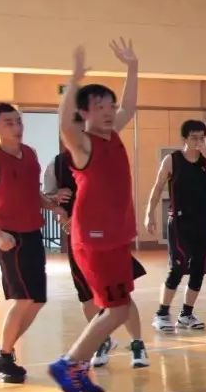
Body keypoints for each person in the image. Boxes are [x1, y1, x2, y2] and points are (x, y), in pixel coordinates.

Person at [47, 39, 143, 392]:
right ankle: (69, 363)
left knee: (116, 307)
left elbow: (129, 105)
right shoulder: (83, 145)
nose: (108, 112)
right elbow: (64, 125)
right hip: (94, 239)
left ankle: (78, 364)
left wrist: (132, 66)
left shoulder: (113, 135)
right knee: (116, 309)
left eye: (109, 106)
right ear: (84, 113)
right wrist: (73, 80)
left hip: (116, 237)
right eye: (99, 107)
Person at [0, 103, 55, 384]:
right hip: (9, 238)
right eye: (9, 123)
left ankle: (1, 349)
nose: (17, 127)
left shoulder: (30, 154)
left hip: (33, 233)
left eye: (19, 121)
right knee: (24, 299)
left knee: (37, 300)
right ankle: (4, 360)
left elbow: (33, 194)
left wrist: (53, 205)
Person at [45, 149, 150, 369]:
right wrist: (55, 200)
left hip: (106, 237)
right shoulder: (56, 164)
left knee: (120, 294)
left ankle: (137, 343)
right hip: (78, 240)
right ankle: (102, 340)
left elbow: (116, 196)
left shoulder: (104, 158)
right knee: (86, 297)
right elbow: (47, 198)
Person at [144, 118, 206, 333]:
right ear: (184, 139)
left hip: (202, 222)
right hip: (179, 222)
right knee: (178, 267)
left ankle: (186, 314)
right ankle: (162, 314)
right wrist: (149, 213)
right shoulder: (172, 160)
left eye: (202, 138)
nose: (198, 141)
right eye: (194, 137)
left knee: (199, 268)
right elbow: (157, 187)